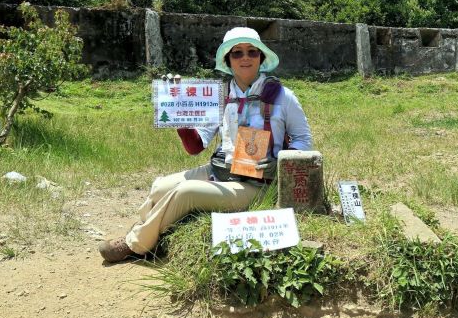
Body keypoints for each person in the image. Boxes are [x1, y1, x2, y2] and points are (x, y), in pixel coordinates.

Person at [98, 27, 312, 263]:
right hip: (221, 171)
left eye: (252, 52)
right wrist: (179, 111)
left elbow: (303, 139)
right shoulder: (219, 96)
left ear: (261, 58)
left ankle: (136, 244)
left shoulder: (283, 96)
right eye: (237, 53)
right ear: (228, 60)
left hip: (257, 182)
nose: (245, 58)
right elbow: (195, 146)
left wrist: (279, 163)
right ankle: (154, 229)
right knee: (160, 186)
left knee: (185, 192)